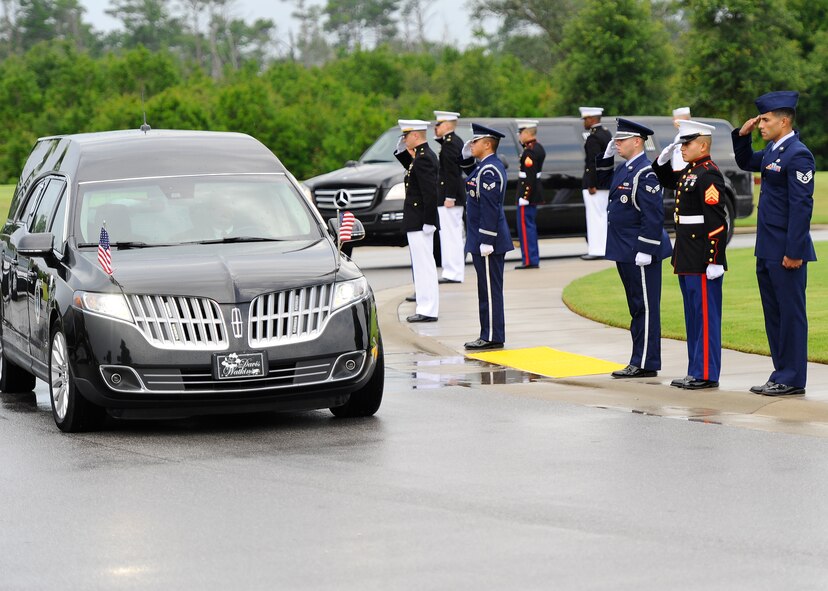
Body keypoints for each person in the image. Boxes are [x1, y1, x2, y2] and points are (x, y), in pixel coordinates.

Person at [732, 90, 816, 396]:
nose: (761, 124)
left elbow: (801, 206)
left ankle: (792, 378)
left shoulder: (798, 154)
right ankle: (781, 373)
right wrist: (742, 135)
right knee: (774, 315)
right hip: (767, 249)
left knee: (791, 315)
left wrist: (794, 251)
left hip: (786, 252)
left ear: (784, 121)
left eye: (766, 120)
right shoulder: (772, 152)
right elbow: (744, 161)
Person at [653, 120, 729, 390]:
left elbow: (717, 222)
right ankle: (695, 369)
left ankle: (706, 373)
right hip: (687, 254)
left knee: (705, 316)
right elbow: (668, 181)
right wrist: (662, 161)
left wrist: (715, 258)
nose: (682, 148)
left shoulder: (709, 174)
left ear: (703, 145)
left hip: (702, 257)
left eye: (687, 143)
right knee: (693, 316)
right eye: (681, 143)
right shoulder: (690, 171)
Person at [595, 119, 672, 378]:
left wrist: (647, 248)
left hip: (639, 250)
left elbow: (653, 214)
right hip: (624, 248)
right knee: (636, 306)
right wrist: (604, 159)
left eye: (621, 140)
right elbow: (603, 182)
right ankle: (639, 358)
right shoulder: (626, 168)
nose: (616, 144)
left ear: (637, 141)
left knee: (645, 307)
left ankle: (645, 361)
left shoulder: (645, 171)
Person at [462, 123, 514, 350]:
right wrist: (465, 156)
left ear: (487, 144)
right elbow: (470, 177)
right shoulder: (483, 167)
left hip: (487, 241)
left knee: (490, 290)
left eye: (475, 141)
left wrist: (486, 240)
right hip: (481, 238)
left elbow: (490, 208)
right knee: (485, 288)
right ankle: (489, 332)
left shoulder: (490, 170)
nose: (471, 144)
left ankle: (492, 336)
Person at [394, 119, 440, 323]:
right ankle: (425, 306)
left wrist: (429, 222)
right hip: (418, 219)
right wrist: (401, 152)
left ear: (415, 135)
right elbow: (413, 173)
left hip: (420, 220)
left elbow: (430, 193)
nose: (404, 140)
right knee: (421, 266)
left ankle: (428, 309)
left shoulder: (424, 158)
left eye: (405, 136)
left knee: (424, 266)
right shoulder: (421, 156)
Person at [433, 110, 466, 284]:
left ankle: (453, 272)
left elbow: (452, 173)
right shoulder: (450, 142)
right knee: (448, 235)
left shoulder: (450, 144)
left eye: (438, 124)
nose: (435, 128)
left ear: (446, 125)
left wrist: (450, 196)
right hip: (449, 195)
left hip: (450, 197)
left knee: (451, 235)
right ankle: (451, 270)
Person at [580, 106, 612, 260]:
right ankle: (604, 247)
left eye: (585, 119)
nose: (584, 122)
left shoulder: (593, 137)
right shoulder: (606, 133)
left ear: (592, 119)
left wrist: (591, 183)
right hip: (605, 182)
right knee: (603, 216)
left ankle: (597, 249)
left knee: (595, 217)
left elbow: (593, 162)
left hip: (596, 184)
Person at [514, 119, 546, 269]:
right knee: (529, 227)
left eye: (521, 132)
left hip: (528, 195)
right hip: (533, 194)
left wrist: (524, 197)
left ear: (527, 133)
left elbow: (530, 177)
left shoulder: (530, 151)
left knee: (525, 230)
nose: (519, 136)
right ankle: (532, 258)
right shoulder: (538, 147)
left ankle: (529, 260)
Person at [670, 107, 692, 171]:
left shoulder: (689, 135)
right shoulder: (678, 136)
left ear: (682, 120)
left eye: (674, 119)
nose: (673, 121)